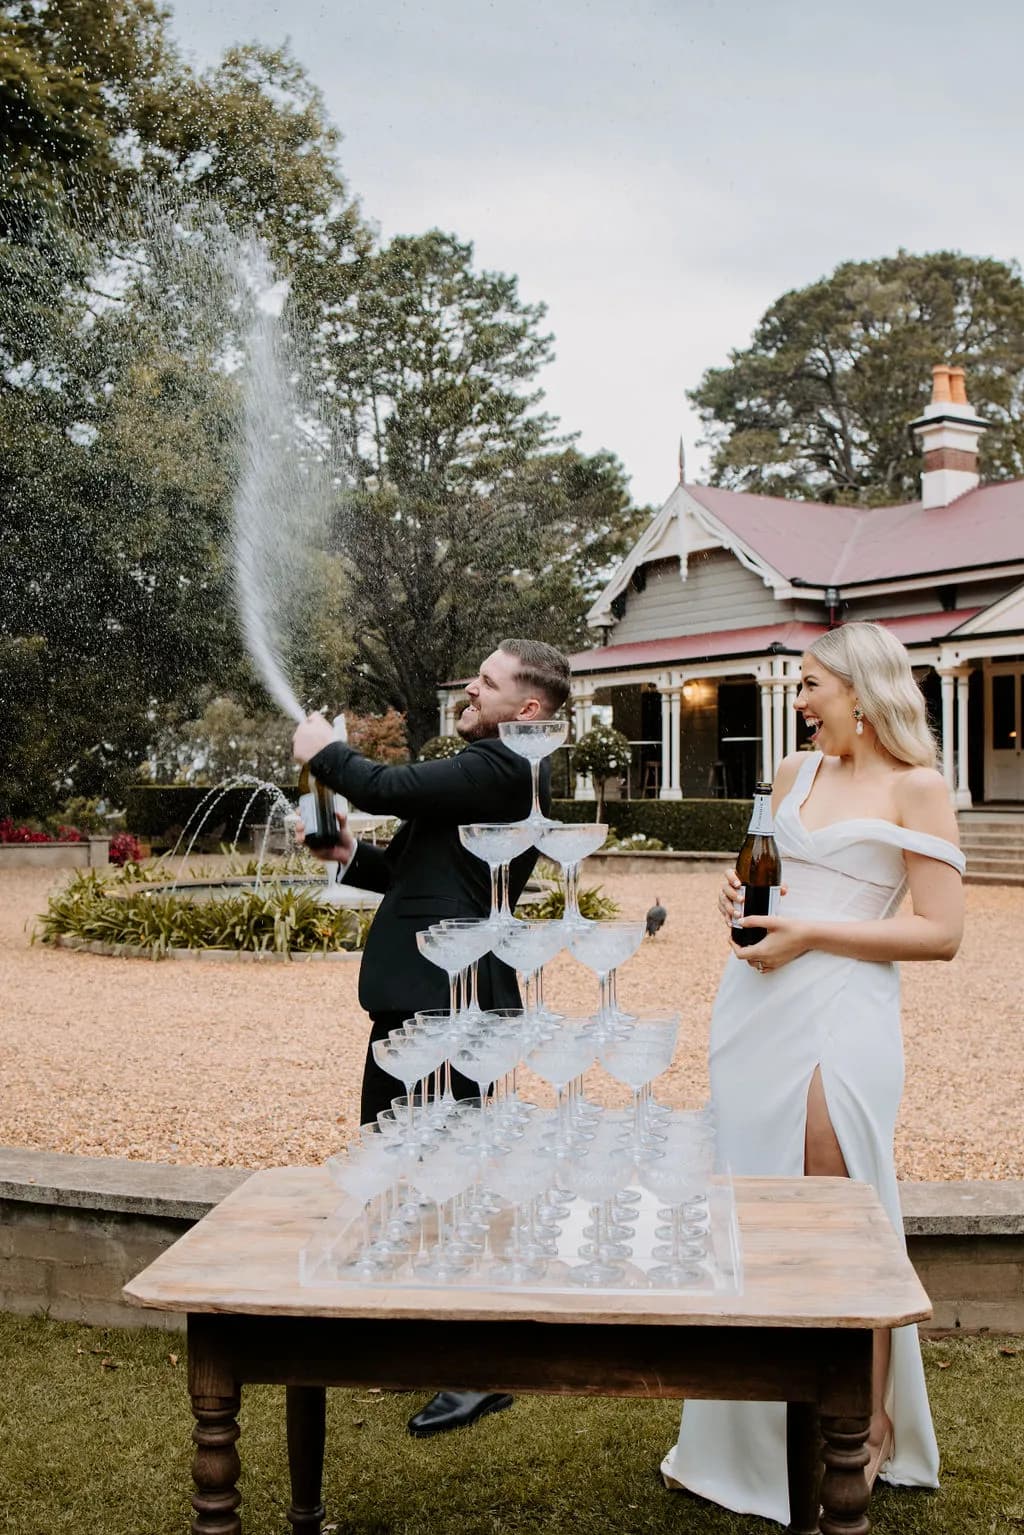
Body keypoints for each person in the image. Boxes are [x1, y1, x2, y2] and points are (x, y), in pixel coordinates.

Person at [660, 621, 965, 1526]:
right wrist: (736, 892)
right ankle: (740, 1435)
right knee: (752, 1195)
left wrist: (815, 934)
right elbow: (765, 871)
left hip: (846, 1004)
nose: (798, 702)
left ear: (863, 696)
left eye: (811, 686)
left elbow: (941, 931)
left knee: (841, 1195)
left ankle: (863, 1423)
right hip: (754, 1001)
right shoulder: (798, 774)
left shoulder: (919, 787)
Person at [292, 636, 571, 1439]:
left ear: (529, 708)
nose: (471, 687)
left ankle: (479, 1368)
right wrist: (348, 853)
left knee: (455, 1172)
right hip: (418, 998)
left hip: (458, 1000)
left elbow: (382, 783)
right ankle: (426, 1335)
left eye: (487, 681)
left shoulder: (506, 767)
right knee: (395, 1160)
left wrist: (325, 751)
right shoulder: (478, 772)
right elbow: (415, 873)